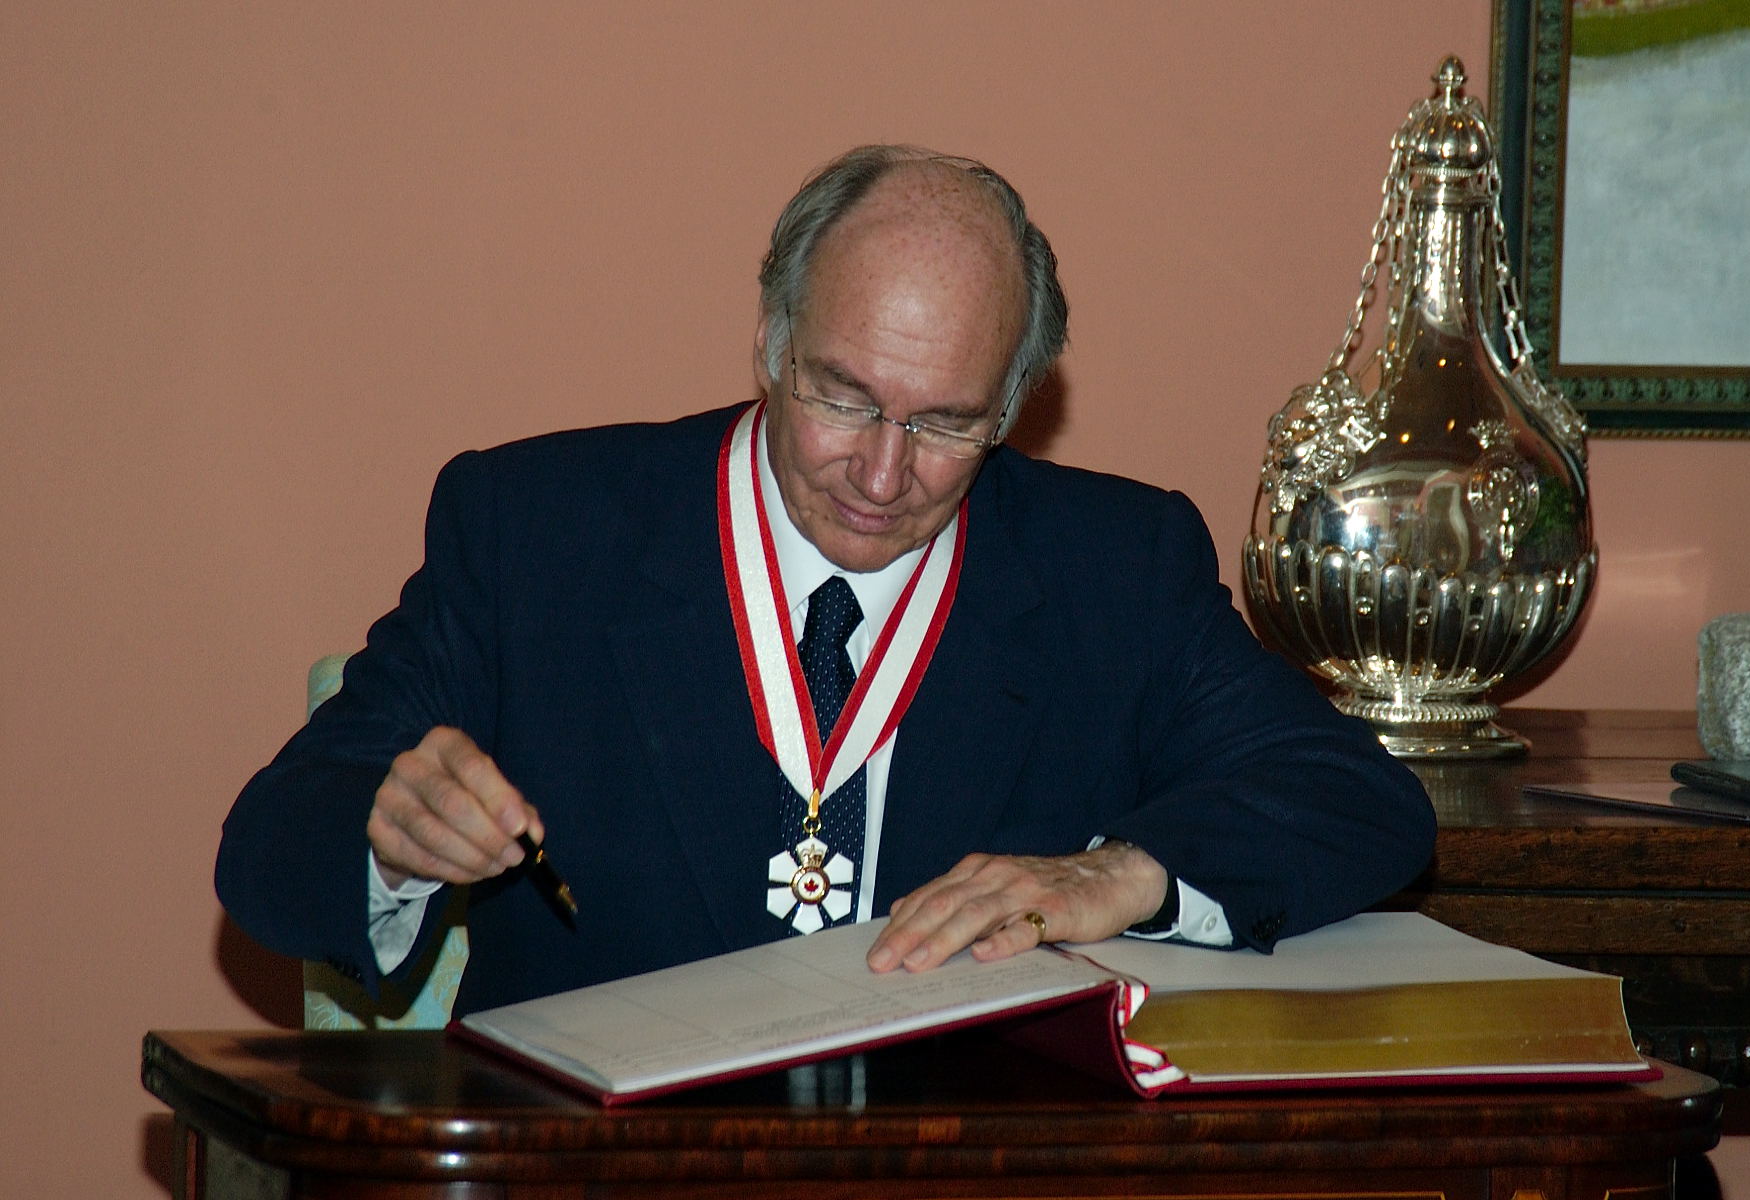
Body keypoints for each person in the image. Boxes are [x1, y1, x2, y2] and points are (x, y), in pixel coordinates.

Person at [217, 144, 1435, 1016]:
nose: (882, 472)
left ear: (1018, 406)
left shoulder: (1112, 566)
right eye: (842, 397)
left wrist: (1111, 874)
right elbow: (271, 850)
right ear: (771, 341)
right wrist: (388, 834)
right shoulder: (539, 531)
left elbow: (1360, 803)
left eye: (948, 423)